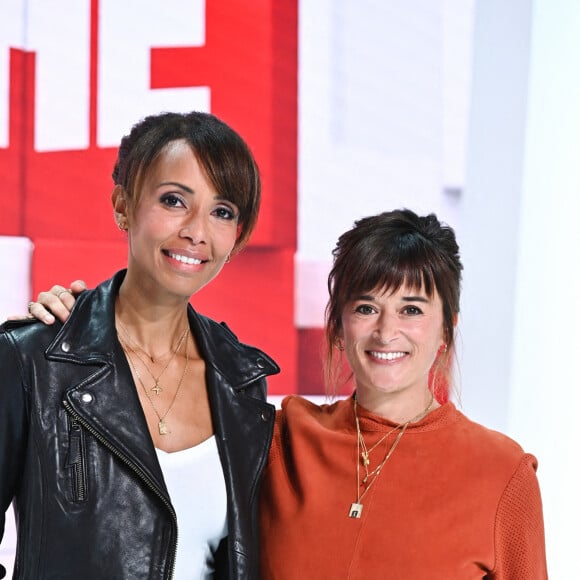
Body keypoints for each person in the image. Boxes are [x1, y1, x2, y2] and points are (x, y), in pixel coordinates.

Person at [24, 209, 548, 579]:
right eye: (366, 308)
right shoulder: (280, 435)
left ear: (446, 330)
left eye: (412, 310)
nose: (388, 332)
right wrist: (83, 326)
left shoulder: (501, 473)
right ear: (339, 327)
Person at [0, 111, 279, 579]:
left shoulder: (241, 381)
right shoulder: (33, 358)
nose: (197, 230)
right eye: (174, 200)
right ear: (123, 205)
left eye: (222, 211)